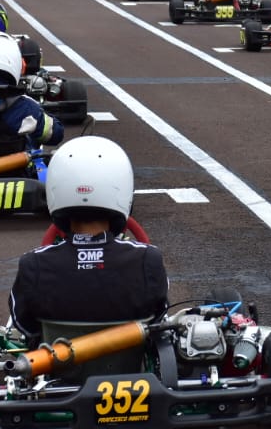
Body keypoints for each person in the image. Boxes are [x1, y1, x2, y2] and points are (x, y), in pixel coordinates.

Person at [9, 136, 169, 348]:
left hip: (58, 371)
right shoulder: (148, 259)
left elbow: (24, 324)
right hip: (137, 374)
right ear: (120, 187)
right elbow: (160, 317)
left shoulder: (33, 264)